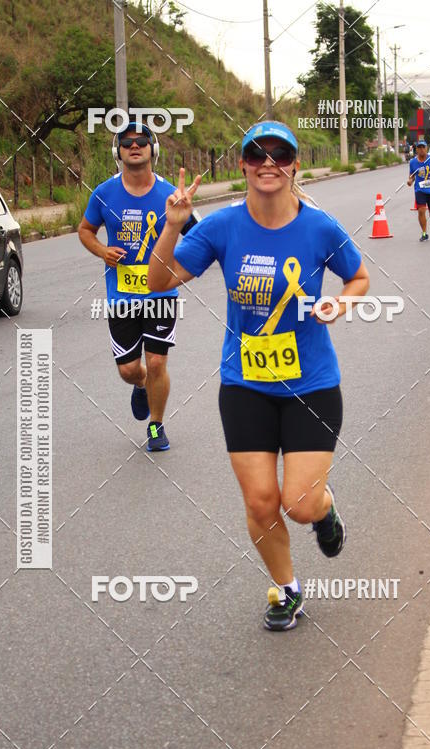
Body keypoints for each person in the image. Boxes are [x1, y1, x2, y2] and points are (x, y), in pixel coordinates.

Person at [148, 121, 370, 631]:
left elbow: (358, 276)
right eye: (256, 154)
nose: (268, 162)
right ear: (243, 165)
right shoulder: (223, 227)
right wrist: (173, 224)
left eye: (280, 154)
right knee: (260, 499)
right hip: (244, 385)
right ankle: (287, 589)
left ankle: (325, 508)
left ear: (294, 165)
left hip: (311, 384)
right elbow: (159, 281)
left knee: (298, 502)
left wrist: (341, 302)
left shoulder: (319, 228)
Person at [78, 121, 199, 451]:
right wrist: (102, 250)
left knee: (158, 361)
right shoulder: (103, 194)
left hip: (161, 294)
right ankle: (142, 384)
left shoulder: (169, 194)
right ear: (117, 152)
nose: (134, 145)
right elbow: (85, 230)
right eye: (127, 142)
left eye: (142, 141)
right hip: (121, 296)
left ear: (152, 150)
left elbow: (198, 238)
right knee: (130, 369)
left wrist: (173, 264)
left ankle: (156, 426)